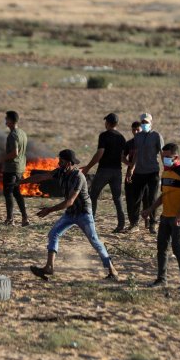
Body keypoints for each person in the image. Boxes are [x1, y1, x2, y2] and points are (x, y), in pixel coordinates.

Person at [25, 149, 119, 281]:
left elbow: (69, 201)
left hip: (83, 213)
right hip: (70, 213)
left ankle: (112, 270)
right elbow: (41, 177)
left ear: (69, 163)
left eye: (61, 161)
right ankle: (49, 267)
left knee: (94, 241)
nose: (59, 163)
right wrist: (21, 182)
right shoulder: (60, 172)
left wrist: (49, 210)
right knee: (53, 234)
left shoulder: (78, 177)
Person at [142, 143, 180, 290]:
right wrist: (150, 209)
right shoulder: (165, 172)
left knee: (178, 247)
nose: (164, 160)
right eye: (163, 157)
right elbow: (163, 196)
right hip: (166, 216)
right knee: (161, 247)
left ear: (175, 157)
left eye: (167, 157)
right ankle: (161, 279)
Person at [81, 113, 126, 232]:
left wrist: (88, 167)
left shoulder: (104, 135)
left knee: (93, 195)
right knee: (117, 199)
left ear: (108, 123)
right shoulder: (121, 137)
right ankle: (121, 224)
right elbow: (122, 156)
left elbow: (100, 153)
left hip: (104, 170)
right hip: (117, 171)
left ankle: (90, 221)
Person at [126, 113, 164, 234]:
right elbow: (136, 153)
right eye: (143, 122)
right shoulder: (138, 137)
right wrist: (131, 169)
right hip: (139, 172)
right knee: (136, 198)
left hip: (152, 171)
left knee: (152, 198)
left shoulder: (157, 136)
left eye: (146, 122)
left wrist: (167, 169)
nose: (144, 124)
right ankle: (134, 223)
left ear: (151, 123)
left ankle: (153, 223)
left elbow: (163, 153)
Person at [0, 110, 29, 226]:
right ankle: (25, 218)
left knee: (8, 192)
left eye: (6, 119)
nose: (5, 121)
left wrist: (2, 159)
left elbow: (15, 153)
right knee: (17, 192)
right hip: (20, 167)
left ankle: (10, 219)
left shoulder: (13, 135)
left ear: (10, 120)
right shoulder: (23, 133)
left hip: (11, 168)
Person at [120, 121, 143, 233]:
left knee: (141, 199)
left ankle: (141, 223)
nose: (136, 132)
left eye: (138, 129)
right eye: (134, 130)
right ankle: (132, 223)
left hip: (143, 173)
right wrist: (130, 165)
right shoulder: (129, 143)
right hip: (130, 174)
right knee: (129, 198)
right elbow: (123, 157)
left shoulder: (144, 142)